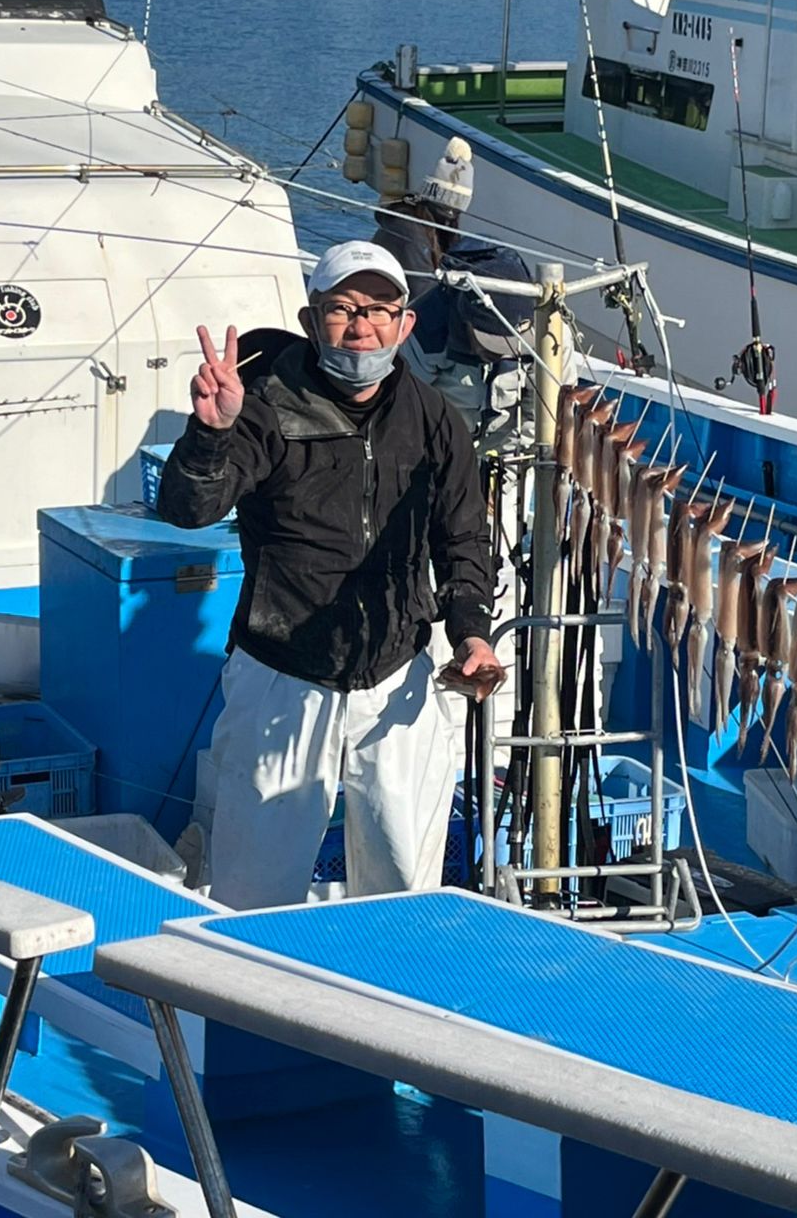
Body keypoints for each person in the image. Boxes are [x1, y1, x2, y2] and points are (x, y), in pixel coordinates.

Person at [157, 241, 504, 910]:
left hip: (398, 680)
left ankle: (390, 1007)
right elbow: (188, 508)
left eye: (380, 309)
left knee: (406, 885)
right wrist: (211, 433)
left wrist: (472, 637)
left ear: (405, 325)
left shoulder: (434, 418)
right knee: (253, 893)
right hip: (282, 677)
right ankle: (249, 1011)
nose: (362, 324)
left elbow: (463, 538)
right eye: (342, 308)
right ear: (311, 319)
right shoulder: (263, 407)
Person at [401, 239, 538, 450]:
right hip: (442, 448)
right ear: (465, 322)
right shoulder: (422, 333)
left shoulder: (549, 335)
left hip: (509, 453)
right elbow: (405, 411)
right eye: (492, 344)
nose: (502, 355)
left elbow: (542, 418)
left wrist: (510, 465)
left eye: (511, 343)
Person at [372, 137, 474, 299]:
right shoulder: (409, 230)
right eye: (445, 209)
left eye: (455, 212)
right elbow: (423, 292)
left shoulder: (425, 225)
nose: (450, 217)